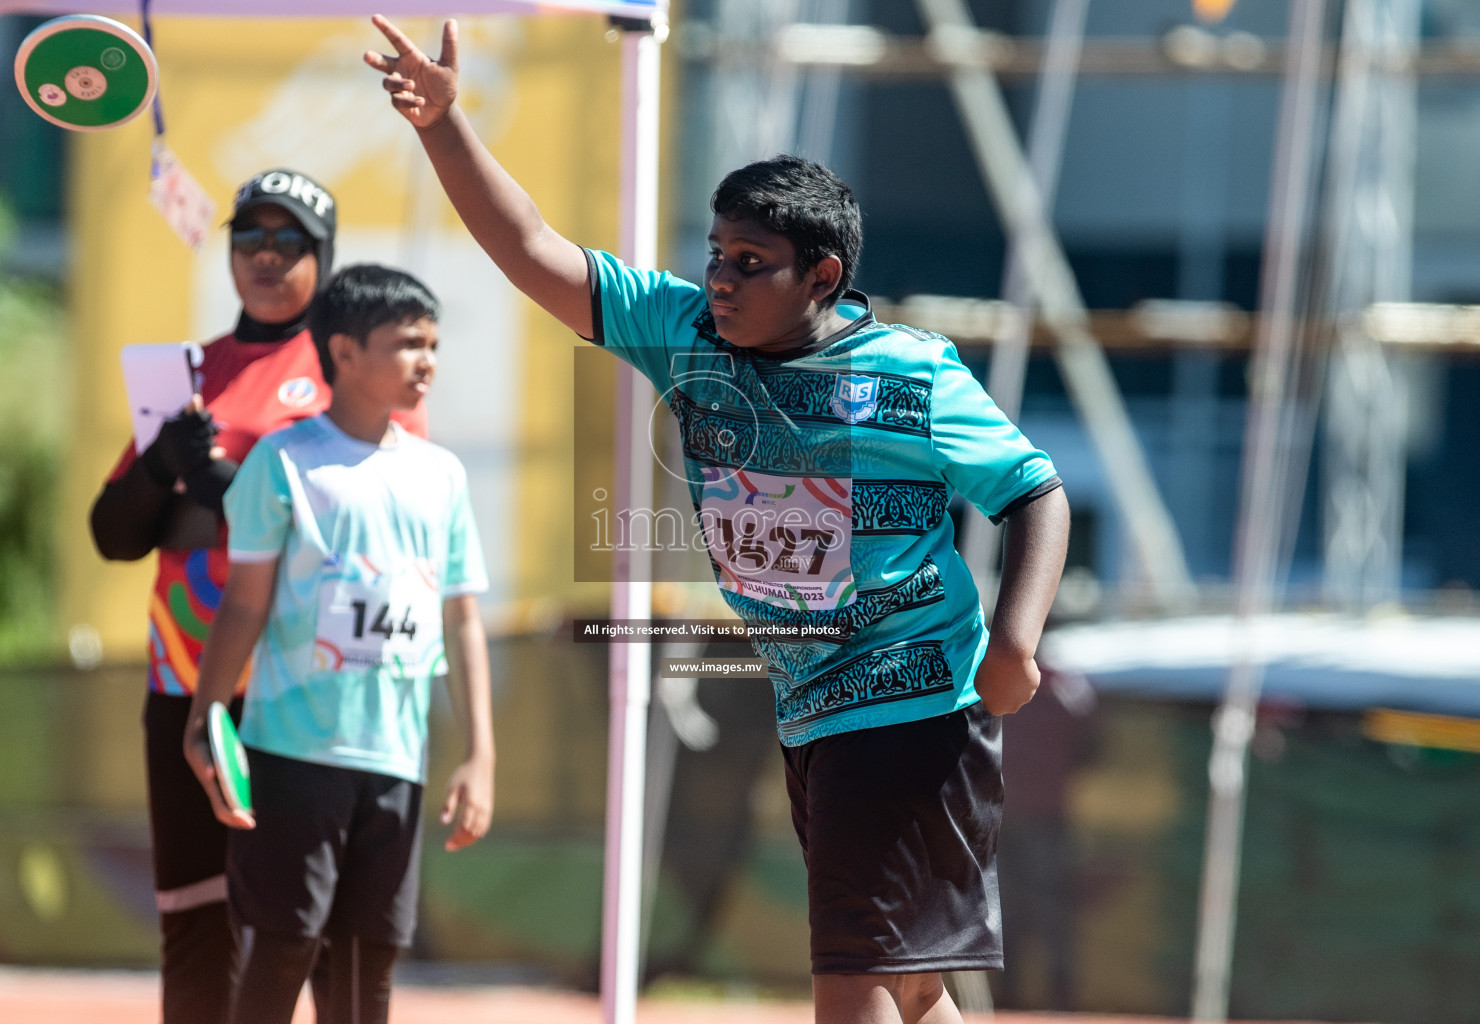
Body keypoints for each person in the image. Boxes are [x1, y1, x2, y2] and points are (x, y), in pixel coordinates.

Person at [362, 17, 1071, 1024]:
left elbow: (1035, 489)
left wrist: (1018, 642)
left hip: (913, 706)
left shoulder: (907, 373)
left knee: (856, 985)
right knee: (913, 986)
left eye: (751, 261)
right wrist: (443, 123)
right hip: (814, 710)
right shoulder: (685, 332)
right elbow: (529, 249)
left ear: (821, 277)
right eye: (716, 254)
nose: (722, 279)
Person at [89, 169, 427, 1024]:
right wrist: (164, 468)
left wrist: (226, 483)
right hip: (187, 686)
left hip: (310, 699)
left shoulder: (355, 368)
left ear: (325, 254)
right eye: (250, 238)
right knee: (195, 918)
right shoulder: (186, 374)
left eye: (289, 241)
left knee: (308, 929)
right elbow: (114, 537)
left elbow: (379, 517)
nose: (266, 257)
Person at [182, 264, 495, 1024]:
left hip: (394, 763)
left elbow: (461, 618)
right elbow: (243, 604)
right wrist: (206, 716)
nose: (428, 361)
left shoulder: (442, 476)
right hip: (293, 755)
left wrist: (481, 752)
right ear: (345, 352)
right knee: (284, 947)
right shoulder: (284, 463)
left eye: (434, 344)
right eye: (408, 344)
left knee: (368, 967)